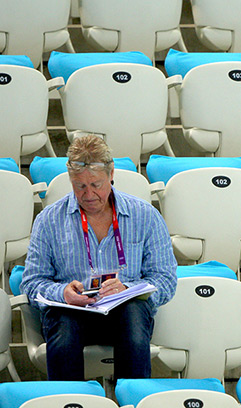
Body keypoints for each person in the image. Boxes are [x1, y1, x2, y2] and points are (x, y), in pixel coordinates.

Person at [21, 135, 177, 381]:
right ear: (70, 180)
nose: (88, 194)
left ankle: (133, 400)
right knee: (63, 325)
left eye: (96, 184)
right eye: (80, 186)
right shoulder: (49, 219)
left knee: (134, 314)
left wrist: (127, 288)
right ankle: (67, 402)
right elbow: (31, 283)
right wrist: (62, 293)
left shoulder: (145, 215)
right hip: (71, 312)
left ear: (111, 174)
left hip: (125, 311)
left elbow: (166, 279)